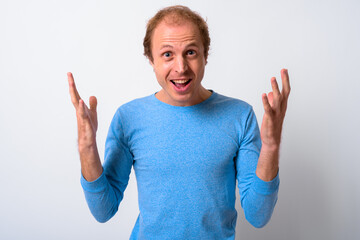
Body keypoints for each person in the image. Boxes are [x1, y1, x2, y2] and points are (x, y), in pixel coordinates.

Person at [68, 5, 290, 240]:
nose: (181, 67)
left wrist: (271, 146)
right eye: (167, 54)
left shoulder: (239, 115)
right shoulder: (128, 118)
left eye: (191, 52)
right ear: (151, 59)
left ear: (206, 55)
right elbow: (104, 210)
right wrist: (86, 147)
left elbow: (258, 215)